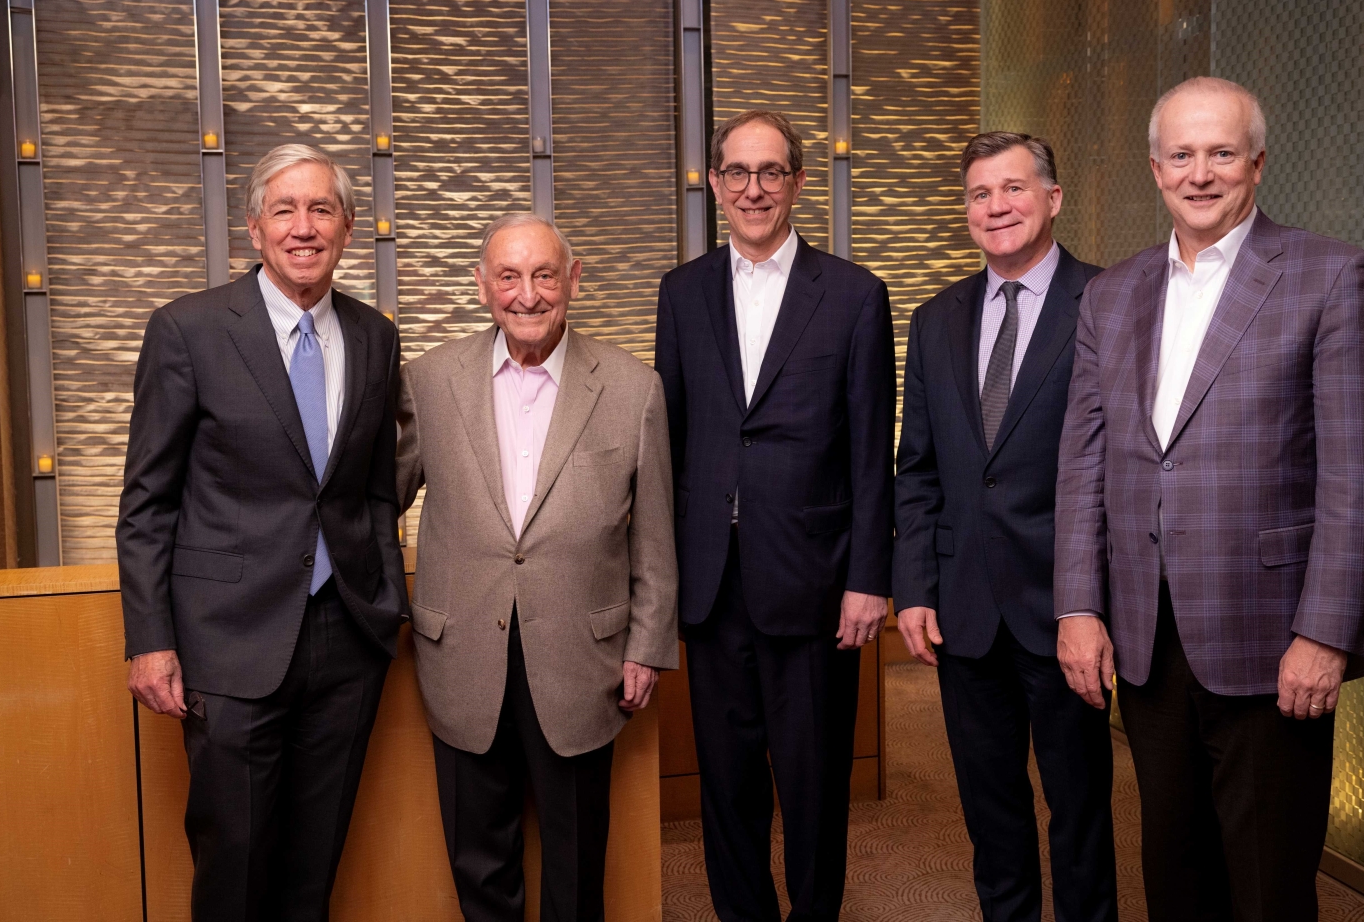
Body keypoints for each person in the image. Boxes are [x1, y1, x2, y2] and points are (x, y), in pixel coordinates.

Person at [1054, 76, 1364, 921]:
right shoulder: (1111, 294)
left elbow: (1360, 476)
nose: (1200, 173)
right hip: (1146, 637)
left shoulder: (1331, 275)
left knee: (1267, 886)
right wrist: (1078, 608)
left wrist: (1325, 634)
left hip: (1272, 639)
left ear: (1257, 164)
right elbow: (1085, 464)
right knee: (1174, 873)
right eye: (1181, 155)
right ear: (1155, 169)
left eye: (1221, 153)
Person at [117, 144, 408, 921]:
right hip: (228, 643)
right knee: (236, 864)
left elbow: (377, 489)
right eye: (285, 210)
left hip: (347, 639)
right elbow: (147, 502)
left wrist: (384, 602)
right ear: (254, 228)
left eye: (321, 210)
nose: (303, 228)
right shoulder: (188, 330)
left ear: (348, 228)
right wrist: (150, 639)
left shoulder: (375, 336)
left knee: (315, 866)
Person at [397, 212, 678, 922]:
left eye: (545, 275)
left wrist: (648, 645)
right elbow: (373, 504)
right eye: (509, 277)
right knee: (479, 864)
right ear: (482, 284)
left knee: (576, 867)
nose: (528, 294)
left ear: (573, 280)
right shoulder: (428, 381)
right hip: (460, 656)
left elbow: (654, 535)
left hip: (586, 663)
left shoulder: (632, 388)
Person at [654, 109, 896, 922]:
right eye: (737, 172)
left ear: (796, 181)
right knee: (726, 785)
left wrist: (868, 578)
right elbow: (672, 440)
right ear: (714, 183)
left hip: (816, 584)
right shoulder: (681, 292)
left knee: (814, 784)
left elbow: (872, 450)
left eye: (770, 172)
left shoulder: (855, 295)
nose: (753, 189)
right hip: (711, 583)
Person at [894, 131, 1116, 922]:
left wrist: (1093, 603)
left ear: (1053, 198)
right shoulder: (935, 318)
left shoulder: (1108, 301)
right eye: (980, 194)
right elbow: (917, 468)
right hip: (964, 608)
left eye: (1014, 189)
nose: (997, 207)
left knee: (1081, 808)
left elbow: (1119, 466)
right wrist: (914, 587)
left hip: (1066, 608)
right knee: (990, 809)